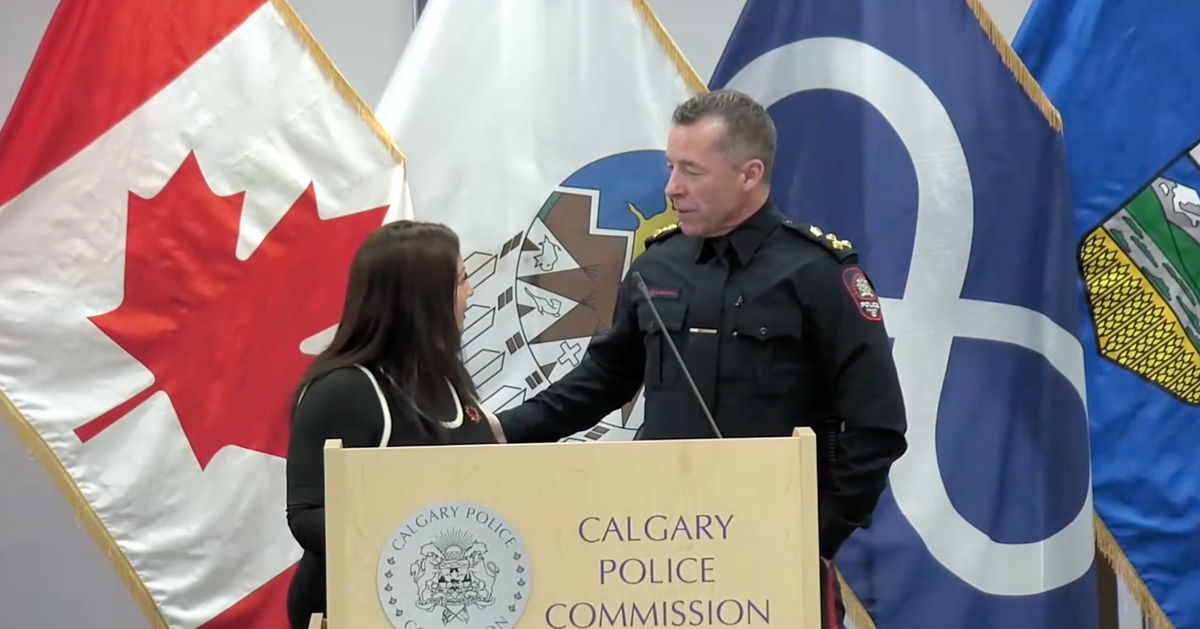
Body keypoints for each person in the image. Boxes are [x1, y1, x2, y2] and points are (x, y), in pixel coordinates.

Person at [496, 90, 908, 628]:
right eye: (671, 168)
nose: (671, 189)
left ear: (749, 173)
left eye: (691, 171)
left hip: (775, 542)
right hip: (660, 548)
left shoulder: (819, 275)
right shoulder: (656, 267)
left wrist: (817, 535)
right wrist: (499, 431)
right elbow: (602, 381)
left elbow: (877, 426)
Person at [284, 221, 504, 629]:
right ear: (422, 300)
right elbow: (307, 515)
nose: (470, 293)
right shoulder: (343, 391)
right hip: (360, 607)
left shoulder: (447, 380)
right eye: (461, 281)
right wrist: (416, 535)